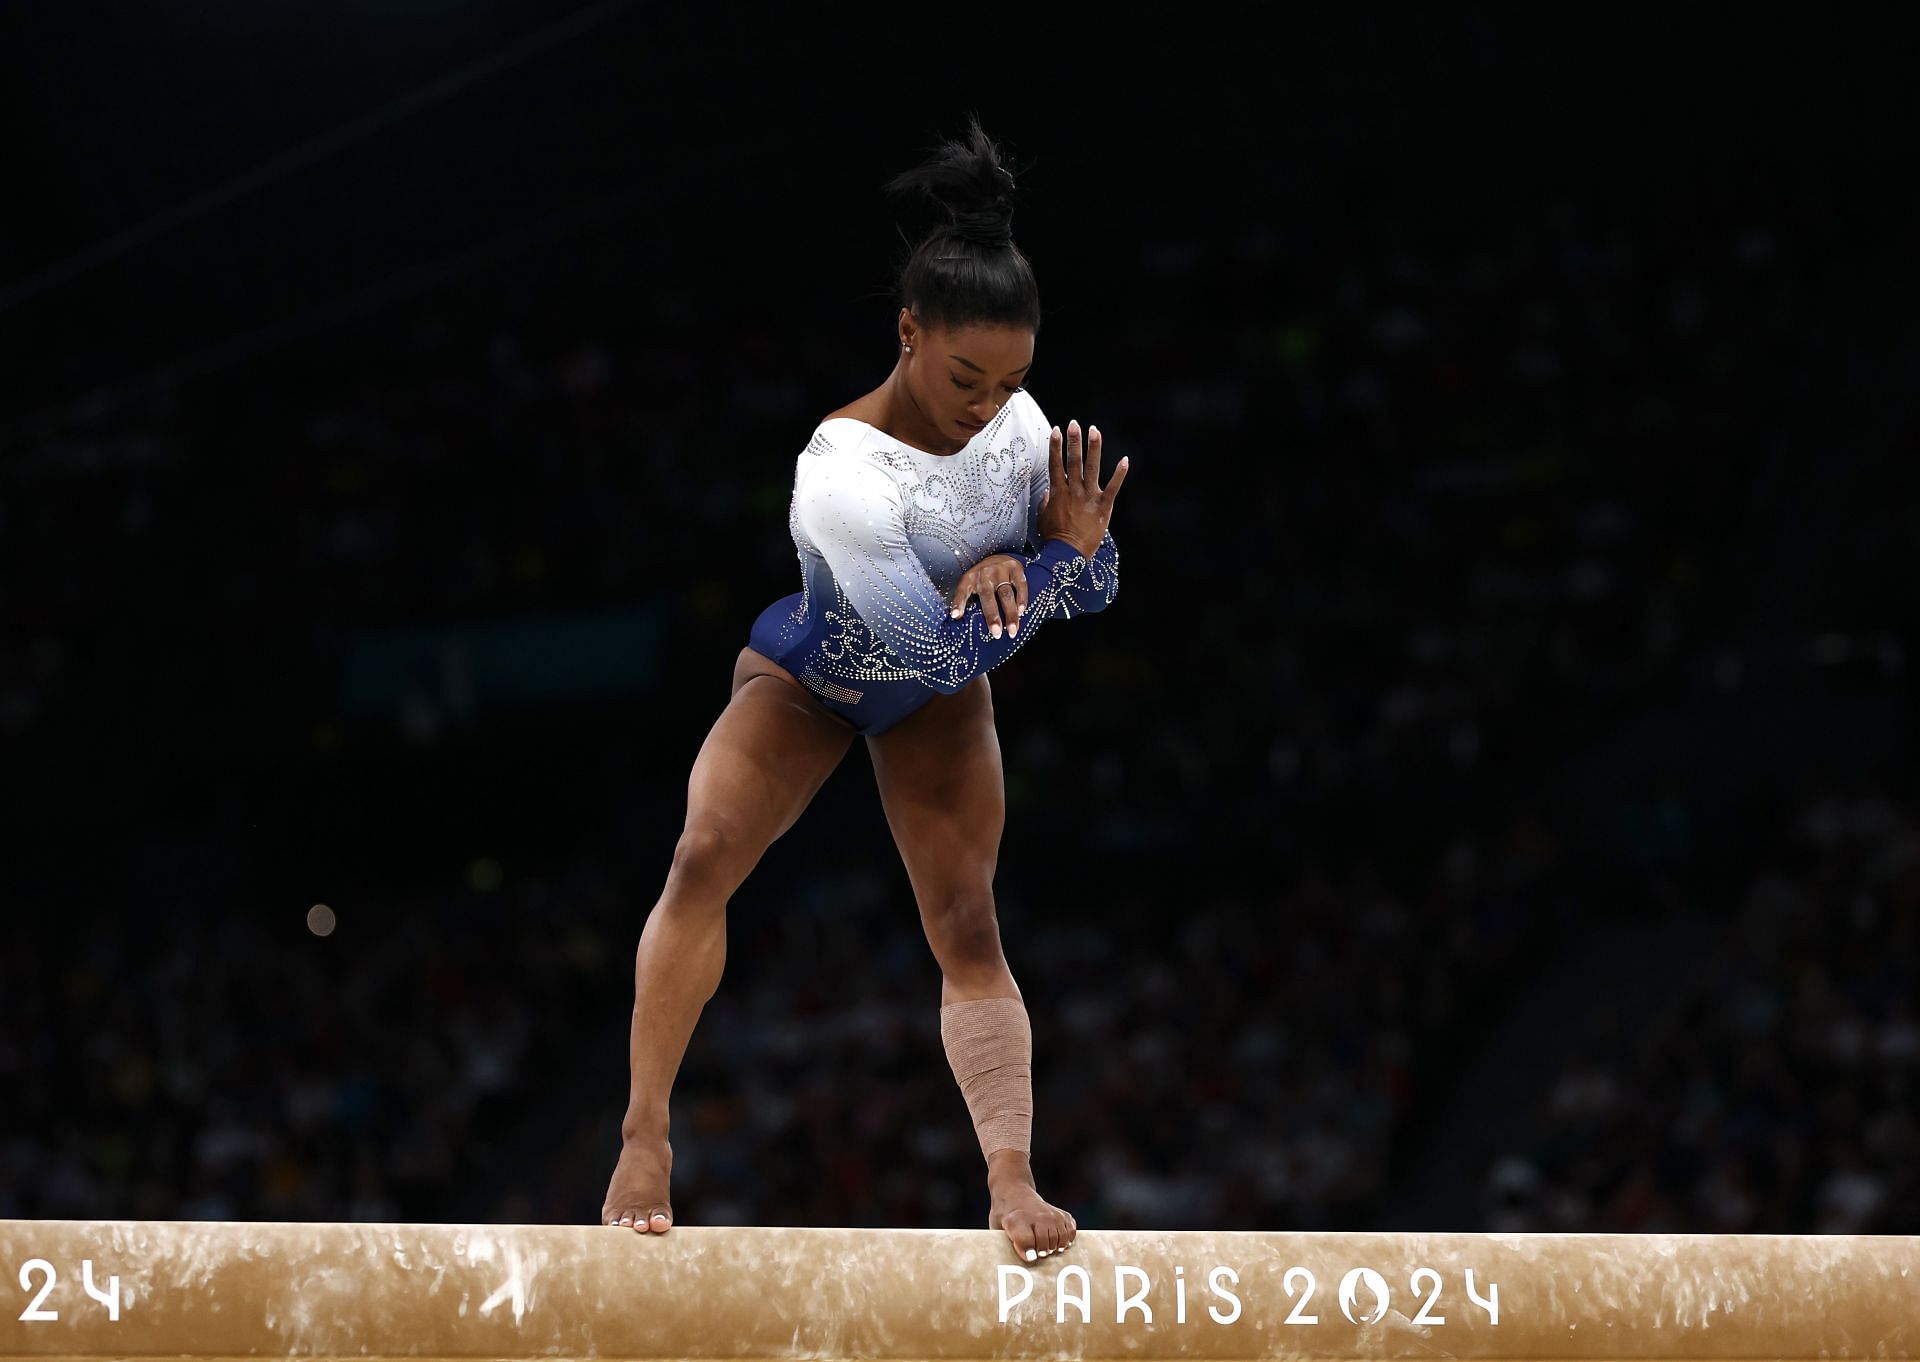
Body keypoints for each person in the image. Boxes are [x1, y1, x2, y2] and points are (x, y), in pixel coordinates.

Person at [601, 114, 1127, 1262]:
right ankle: (644, 1135)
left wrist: (1048, 563)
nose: (988, 407)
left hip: (936, 702)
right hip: (818, 678)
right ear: (906, 332)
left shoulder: (1023, 431)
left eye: (1012, 381)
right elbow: (929, 648)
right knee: (700, 858)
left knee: (968, 924)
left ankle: (1009, 1178)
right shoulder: (838, 474)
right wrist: (1041, 571)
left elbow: (1098, 586)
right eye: (963, 377)